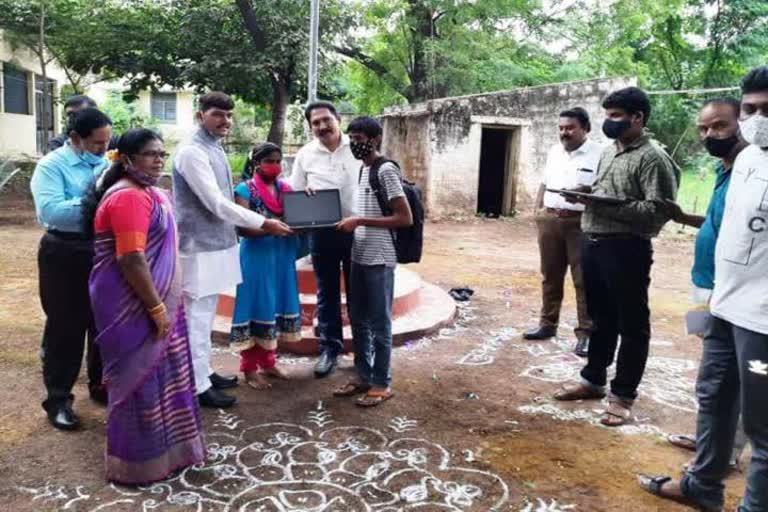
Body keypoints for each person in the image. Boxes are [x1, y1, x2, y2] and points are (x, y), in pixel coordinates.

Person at [638, 65, 768, 512]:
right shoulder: (743, 161)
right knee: (713, 391)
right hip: (716, 298)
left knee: (762, 423)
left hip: (763, 320)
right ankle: (703, 483)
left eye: (767, 110)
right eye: (751, 109)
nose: (758, 119)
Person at [83, 128, 205, 485]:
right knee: (139, 377)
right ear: (126, 158)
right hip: (132, 301)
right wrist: (155, 308)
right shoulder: (127, 198)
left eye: (161, 155)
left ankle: (169, 451)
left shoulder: (151, 193)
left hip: (156, 295)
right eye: (151, 154)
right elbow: (132, 258)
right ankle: (137, 462)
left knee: (163, 373)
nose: (158, 161)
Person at [552, 86, 679, 427]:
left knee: (632, 325)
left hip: (627, 248)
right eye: (607, 116)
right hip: (594, 242)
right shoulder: (610, 151)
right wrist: (586, 194)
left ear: (638, 118)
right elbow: (607, 192)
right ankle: (593, 380)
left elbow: (657, 211)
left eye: (615, 117)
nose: (609, 123)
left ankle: (622, 396)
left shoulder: (653, 158)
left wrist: (607, 205)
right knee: (600, 318)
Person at [172, 92, 292, 409]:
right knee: (197, 318)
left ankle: (205, 372)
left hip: (217, 244)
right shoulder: (191, 152)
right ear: (201, 115)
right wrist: (264, 223)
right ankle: (197, 387)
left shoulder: (212, 147)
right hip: (197, 247)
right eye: (217, 114)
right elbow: (215, 202)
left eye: (229, 115)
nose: (225, 121)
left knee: (207, 313)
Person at [663, 97, 749, 474]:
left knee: (740, 374)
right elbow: (721, 225)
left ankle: (727, 450)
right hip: (703, 284)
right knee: (713, 366)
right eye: (703, 128)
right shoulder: (723, 169)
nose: (708, 134)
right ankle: (711, 437)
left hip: (735, 290)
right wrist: (683, 217)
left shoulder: (754, 173)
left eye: (719, 126)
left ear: (741, 123)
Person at [30, 108, 112, 431]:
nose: (104, 151)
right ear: (75, 138)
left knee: (102, 323)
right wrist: (99, 201)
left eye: (107, 143)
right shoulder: (51, 166)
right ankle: (59, 399)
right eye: (97, 144)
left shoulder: (105, 164)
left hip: (101, 249)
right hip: (64, 251)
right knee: (65, 327)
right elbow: (52, 212)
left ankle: (100, 384)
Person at [332, 116, 412, 407]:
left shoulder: (386, 170)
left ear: (376, 139)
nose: (355, 143)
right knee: (358, 319)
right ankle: (363, 374)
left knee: (379, 322)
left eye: (360, 137)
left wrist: (359, 221)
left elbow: (404, 218)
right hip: (359, 255)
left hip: (380, 257)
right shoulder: (361, 170)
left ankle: (382, 382)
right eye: (351, 137)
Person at [524, 107, 602, 357]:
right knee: (550, 275)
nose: (564, 133)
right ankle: (547, 325)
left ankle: (586, 334)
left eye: (570, 128)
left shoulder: (601, 153)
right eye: (561, 128)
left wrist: (586, 190)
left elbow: (605, 188)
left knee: (584, 279)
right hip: (549, 220)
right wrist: (538, 210)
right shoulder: (554, 151)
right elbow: (545, 181)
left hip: (580, 222)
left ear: (585, 129)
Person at [289, 101, 359, 378]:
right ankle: (329, 349)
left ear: (338, 119)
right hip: (323, 233)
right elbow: (295, 190)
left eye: (325, 120)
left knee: (359, 292)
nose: (321, 126)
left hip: (358, 230)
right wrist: (303, 197)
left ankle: (363, 351)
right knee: (326, 292)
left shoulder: (358, 147)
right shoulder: (306, 154)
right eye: (315, 123)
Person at [230, 143, 301, 390]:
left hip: (282, 256)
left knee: (276, 305)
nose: (276, 165)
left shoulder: (286, 189)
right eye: (270, 160)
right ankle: (249, 369)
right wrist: (271, 228)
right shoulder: (244, 189)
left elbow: (298, 217)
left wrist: (311, 205)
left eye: (279, 160)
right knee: (256, 305)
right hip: (257, 257)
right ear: (257, 163)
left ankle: (269, 363)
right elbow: (241, 227)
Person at [47, 95, 118, 153]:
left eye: (80, 113)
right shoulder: (58, 144)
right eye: (69, 114)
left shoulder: (113, 141)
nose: (73, 118)